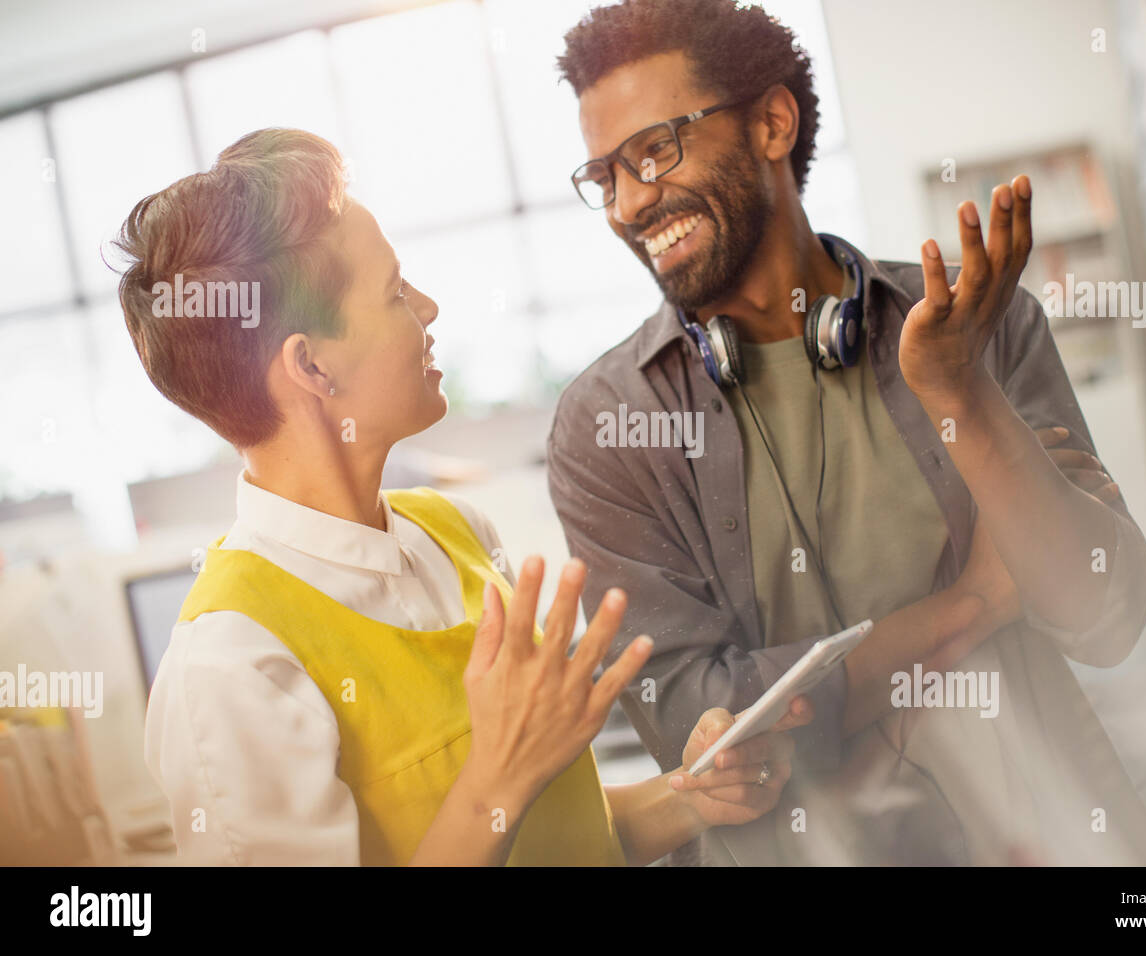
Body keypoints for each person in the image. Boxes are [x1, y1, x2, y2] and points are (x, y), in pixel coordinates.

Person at [546, 0, 1146, 865]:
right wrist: (976, 601)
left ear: (771, 123)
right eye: (605, 175)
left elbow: (1105, 614)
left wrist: (962, 395)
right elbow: (701, 721)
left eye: (655, 150)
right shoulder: (607, 428)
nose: (629, 203)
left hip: (1047, 830)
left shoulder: (974, 322)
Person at [120, 127, 812, 866]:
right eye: (393, 292)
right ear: (313, 368)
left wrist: (690, 795)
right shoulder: (229, 669)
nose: (429, 307)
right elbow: (503, 803)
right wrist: (502, 776)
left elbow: (564, 834)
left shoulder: (453, 531)